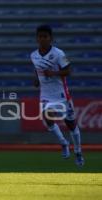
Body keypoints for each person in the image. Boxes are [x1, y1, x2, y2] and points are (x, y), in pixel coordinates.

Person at [30, 24, 84, 166]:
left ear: (51, 38)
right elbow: (37, 71)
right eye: (40, 36)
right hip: (46, 94)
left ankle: (78, 152)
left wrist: (53, 73)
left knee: (71, 125)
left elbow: (69, 71)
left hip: (61, 95)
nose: (42, 39)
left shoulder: (59, 53)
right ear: (37, 38)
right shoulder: (33, 55)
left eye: (45, 36)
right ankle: (64, 143)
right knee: (47, 117)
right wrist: (36, 79)